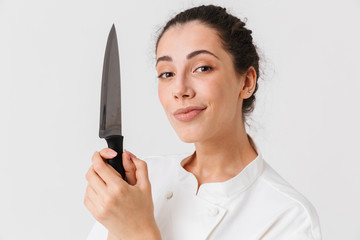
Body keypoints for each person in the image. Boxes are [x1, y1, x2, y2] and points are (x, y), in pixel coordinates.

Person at [84, 5, 322, 240]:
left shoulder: (288, 217)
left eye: (202, 68)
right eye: (167, 73)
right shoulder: (138, 181)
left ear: (246, 82)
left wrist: (138, 231)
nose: (179, 90)